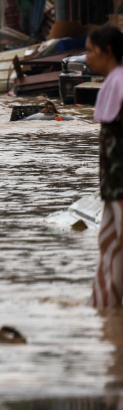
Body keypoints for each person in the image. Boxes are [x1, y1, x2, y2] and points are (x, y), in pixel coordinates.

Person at [90, 25, 123, 306]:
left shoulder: (120, 83)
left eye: (90, 51)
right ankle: (105, 310)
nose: (87, 57)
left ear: (107, 51)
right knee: (109, 247)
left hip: (120, 185)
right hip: (112, 186)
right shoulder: (112, 83)